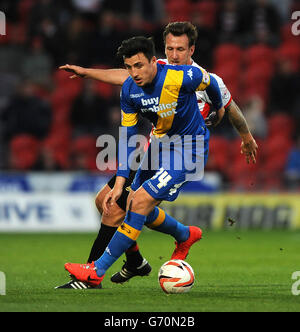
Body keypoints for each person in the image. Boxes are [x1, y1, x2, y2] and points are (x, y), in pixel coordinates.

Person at [57, 22, 258, 289]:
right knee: (113, 202)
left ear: (191, 49)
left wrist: (243, 134)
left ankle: (95, 272)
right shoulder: (153, 70)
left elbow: (227, 103)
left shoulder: (195, 76)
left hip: (186, 150)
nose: (173, 55)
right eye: (169, 48)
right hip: (156, 149)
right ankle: (175, 240)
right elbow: (126, 77)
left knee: (137, 203)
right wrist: (87, 73)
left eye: (180, 49)